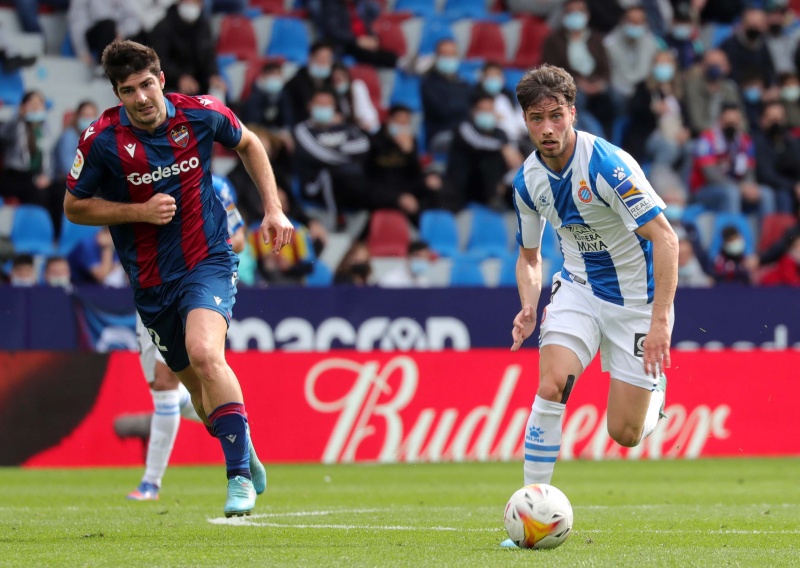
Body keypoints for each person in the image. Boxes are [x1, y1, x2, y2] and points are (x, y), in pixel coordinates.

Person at [63, 40, 294, 517]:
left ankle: (237, 477)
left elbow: (250, 143)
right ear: (117, 94)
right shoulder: (101, 139)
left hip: (207, 259)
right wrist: (138, 211)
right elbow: (74, 207)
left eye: (147, 84)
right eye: (128, 90)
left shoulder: (200, 113)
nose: (141, 97)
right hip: (150, 282)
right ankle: (244, 447)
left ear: (161, 80)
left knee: (206, 353)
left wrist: (272, 209)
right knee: (199, 395)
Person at [504, 64, 678, 548]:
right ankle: (530, 515)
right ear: (525, 121)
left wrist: (661, 320)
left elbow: (666, 239)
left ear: (572, 113)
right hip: (578, 288)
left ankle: (655, 397)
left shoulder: (608, 166)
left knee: (625, 433)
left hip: (636, 303)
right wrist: (528, 304)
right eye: (536, 118)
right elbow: (530, 257)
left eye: (556, 116)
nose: (547, 128)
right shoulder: (528, 181)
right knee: (551, 384)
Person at [127, 174, 248, 501]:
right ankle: (240, 435)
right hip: (152, 291)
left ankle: (151, 482)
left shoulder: (216, 185)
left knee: (170, 379)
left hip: (197, 286)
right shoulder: (139, 177)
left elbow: (239, 237)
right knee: (165, 388)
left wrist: (204, 245)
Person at [690, 103, 777, 218]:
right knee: (732, 193)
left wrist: (749, 186)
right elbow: (711, 176)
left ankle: (769, 229)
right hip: (705, 189)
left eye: (735, 123)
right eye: (728, 123)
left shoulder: (745, 141)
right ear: (720, 121)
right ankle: (732, 229)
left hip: (738, 187)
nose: (731, 127)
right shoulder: (706, 140)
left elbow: (749, 171)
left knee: (766, 193)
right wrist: (740, 187)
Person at [442, 93, 523, 211]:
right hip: (463, 187)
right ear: (473, 111)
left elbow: (515, 160)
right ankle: (493, 197)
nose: (487, 114)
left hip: (491, 187)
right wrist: (502, 147)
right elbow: (478, 143)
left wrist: (504, 183)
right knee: (491, 156)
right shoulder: (464, 128)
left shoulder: (500, 133)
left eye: (490, 110)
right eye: (483, 110)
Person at [0, 90, 62, 232]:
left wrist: (47, 177)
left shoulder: (44, 129)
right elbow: (3, 134)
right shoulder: (15, 125)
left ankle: (55, 234)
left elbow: (49, 160)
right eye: (32, 103)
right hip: (14, 176)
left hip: (37, 176)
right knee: (39, 193)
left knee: (60, 191)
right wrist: (19, 116)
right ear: (23, 106)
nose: (36, 107)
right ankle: (37, 233)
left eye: (39, 103)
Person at [150, 0, 226, 99]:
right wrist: (179, 77)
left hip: (199, 84)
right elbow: (158, 62)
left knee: (218, 91)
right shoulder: (163, 27)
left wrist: (213, 75)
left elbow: (208, 54)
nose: (191, 5)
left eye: (195, 2)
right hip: (170, 85)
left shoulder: (203, 26)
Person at [420, 38, 473, 154]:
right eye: (445, 54)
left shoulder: (464, 84)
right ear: (437, 57)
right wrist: (465, 108)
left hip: (466, 132)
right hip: (442, 134)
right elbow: (443, 111)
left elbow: (473, 107)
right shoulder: (429, 83)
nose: (449, 58)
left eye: (452, 54)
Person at [54, 100, 99, 182]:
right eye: (85, 115)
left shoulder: (94, 137)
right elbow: (69, 169)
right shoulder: (69, 136)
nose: (89, 119)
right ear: (77, 117)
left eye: (92, 116)